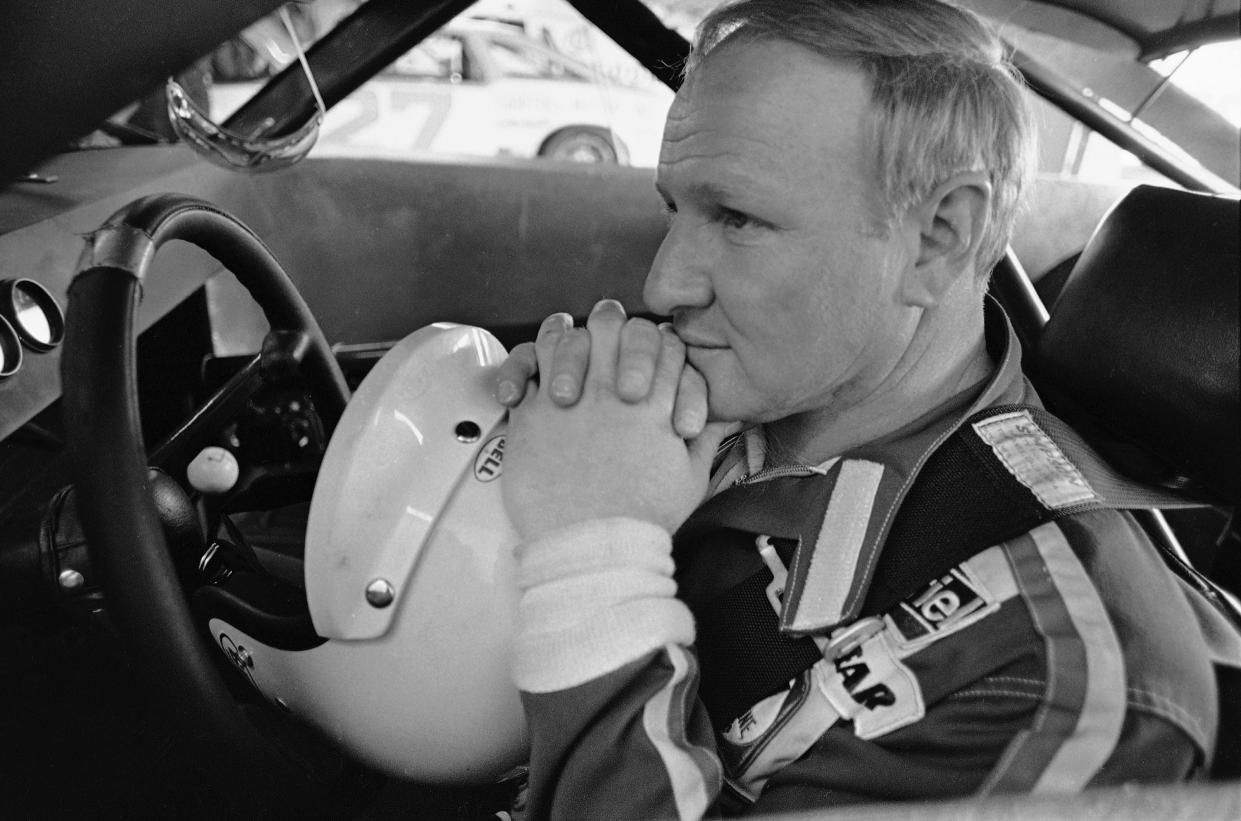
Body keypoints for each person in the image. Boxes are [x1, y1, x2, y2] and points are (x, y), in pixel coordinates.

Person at [492, 1, 1222, 817]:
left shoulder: (1047, 670)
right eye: (676, 209)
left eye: (737, 218)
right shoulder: (701, 399)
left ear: (937, 237)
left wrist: (590, 551)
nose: (663, 286)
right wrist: (503, 477)